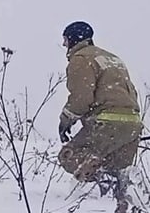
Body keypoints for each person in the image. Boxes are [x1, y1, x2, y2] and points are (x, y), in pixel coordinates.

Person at [57, 21, 143, 187]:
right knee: (114, 169)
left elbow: (81, 97)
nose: (63, 44)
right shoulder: (112, 59)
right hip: (133, 124)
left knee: (69, 155)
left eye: (65, 40)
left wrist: (66, 120)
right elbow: (130, 91)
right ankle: (119, 193)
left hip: (107, 122)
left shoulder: (81, 59)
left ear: (73, 39)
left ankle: (101, 185)